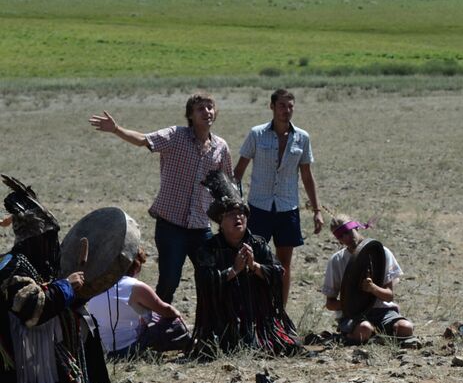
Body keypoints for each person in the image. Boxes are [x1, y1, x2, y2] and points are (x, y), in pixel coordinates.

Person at [89, 93, 233, 303]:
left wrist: (230, 220)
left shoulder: (221, 147)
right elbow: (143, 140)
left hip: (201, 226)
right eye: (200, 108)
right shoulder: (176, 136)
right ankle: (155, 329)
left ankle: (207, 330)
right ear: (190, 115)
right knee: (169, 281)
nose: (207, 112)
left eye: (210, 107)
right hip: (171, 226)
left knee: (211, 279)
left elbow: (227, 187)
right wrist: (116, 129)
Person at [1, 176, 109, 383]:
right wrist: (65, 287)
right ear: (34, 241)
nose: (53, 245)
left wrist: (77, 292)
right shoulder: (11, 266)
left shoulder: (39, 265)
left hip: (41, 352)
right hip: (15, 363)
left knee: (84, 318)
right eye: (48, 239)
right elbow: (30, 310)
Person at [190, 171, 299, 357]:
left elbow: (278, 272)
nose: (238, 218)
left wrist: (255, 267)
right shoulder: (209, 248)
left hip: (259, 319)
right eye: (231, 215)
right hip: (223, 319)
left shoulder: (258, 244)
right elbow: (204, 281)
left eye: (241, 214)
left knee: (284, 346)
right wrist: (233, 271)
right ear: (220, 222)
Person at [233, 89, 324, 305]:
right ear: (272, 107)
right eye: (282, 106)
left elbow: (307, 176)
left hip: (287, 208)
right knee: (253, 260)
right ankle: (253, 309)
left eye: (290, 106)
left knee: (284, 263)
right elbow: (238, 171)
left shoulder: (302, 138)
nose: (287, 111)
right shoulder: (257, 134)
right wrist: (234, 205)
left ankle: (279, 312)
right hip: (259, 207)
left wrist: (317, 211)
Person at [322, 216, 414, 343]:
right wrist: (352, 304)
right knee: (364, 329)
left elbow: (389, 296)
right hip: (353, 315)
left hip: (383, 311)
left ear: (356, 227)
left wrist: (373, 288)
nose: (346, 238)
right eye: (341, 236)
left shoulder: (381, 253)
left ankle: (376, 337)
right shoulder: (337, 260)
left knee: (405, 328)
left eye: (348, 232)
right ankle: (367, 337)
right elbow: (330, 304)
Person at [87, 249, 192, 357]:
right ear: (136, 266)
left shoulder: (97, 284)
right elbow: (167, 310)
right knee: (173, 320)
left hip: (101, 349)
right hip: (126, 348)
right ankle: (191, 345)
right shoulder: (135, 286)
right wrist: (178, 315)